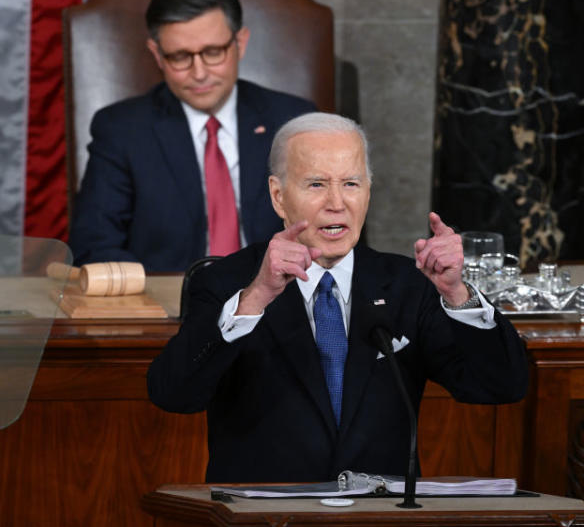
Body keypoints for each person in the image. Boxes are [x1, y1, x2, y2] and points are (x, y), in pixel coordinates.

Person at [147, 112, 528, 483]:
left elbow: (500, 386)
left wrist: (457, 294)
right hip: (264, 526)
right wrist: (256, 297)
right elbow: (173, 393)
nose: (337, 203)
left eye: (351, 183)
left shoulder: (407, 285)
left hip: (380, 526)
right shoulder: (227, 282)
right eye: (316, 184)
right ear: (278, 196)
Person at [69, 0, 316, 272]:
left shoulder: (293, 121)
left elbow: (328, 232)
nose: (199, 73)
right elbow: (94, 246)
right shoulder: (121, 129)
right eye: (180, 57)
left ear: (240, 42)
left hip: (277, 304)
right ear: (157, 55)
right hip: (167, 308)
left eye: (213, 53)